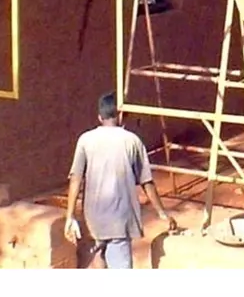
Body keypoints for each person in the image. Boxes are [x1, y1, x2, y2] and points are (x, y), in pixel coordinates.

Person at [64, 93, 177, 269]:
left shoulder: (85, 140)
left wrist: (69, 216)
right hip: (120, 220)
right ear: (120, 115)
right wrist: (162, 213)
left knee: (98, 258)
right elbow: (146, 182)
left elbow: (75, 179)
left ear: (100, 117)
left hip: (93, 219)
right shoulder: (132, 141)